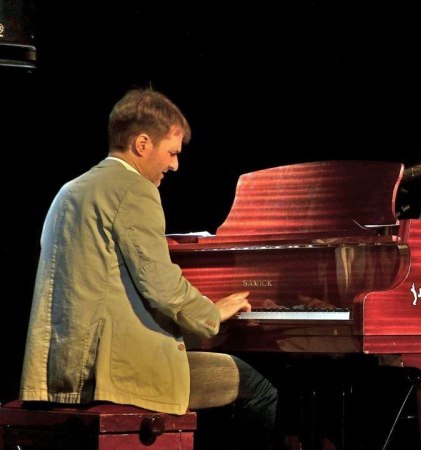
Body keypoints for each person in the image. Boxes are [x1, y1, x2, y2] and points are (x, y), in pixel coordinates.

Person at [19, 87, 279, 449]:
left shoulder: (68, 192)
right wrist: (212, 313)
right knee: (258, 388)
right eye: (171, 152)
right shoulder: (133, 189)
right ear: (142, 144)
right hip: (116, 374)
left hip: (59, 373)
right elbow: (162, 288)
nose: (175, 165)